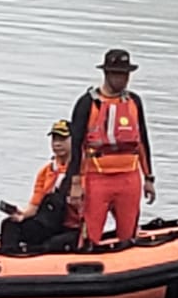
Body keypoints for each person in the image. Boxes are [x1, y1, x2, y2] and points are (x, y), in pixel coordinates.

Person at [60, 48, 156, 248]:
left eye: (125, 74)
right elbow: (76, 146)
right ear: (106, 73)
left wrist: (148, 178)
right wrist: (75, 183)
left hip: (129, 178)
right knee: (91, 235)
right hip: (97, 178)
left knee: (128, 235)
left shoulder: (134, 102)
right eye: (117, 74)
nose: (122, 79)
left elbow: (142, 141)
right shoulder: (87, 103)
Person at [0, 119, 83, 254]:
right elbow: (35, 205)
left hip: (72, 227)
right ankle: (10, 264)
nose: (57, 144)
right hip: (47, 223)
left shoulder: (82, 173)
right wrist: (22, 215)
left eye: (62, 139)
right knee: (9, 225)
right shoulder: (46, 171)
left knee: (53, 244)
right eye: (54, 139)